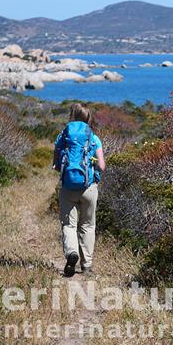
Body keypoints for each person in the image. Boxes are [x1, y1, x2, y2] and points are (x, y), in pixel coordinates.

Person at [53, 103, 106, 277]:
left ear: (72, 116)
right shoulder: (93, 137)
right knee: (88, 225)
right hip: (89, 187)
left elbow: (55, 164)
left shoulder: (63, 136)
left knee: (69, 225)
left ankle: (71, 253)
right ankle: (87, 265)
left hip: (68, 187)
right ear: (88, 117)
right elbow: (102, 166)